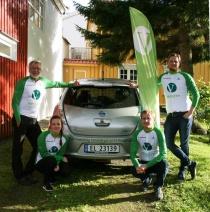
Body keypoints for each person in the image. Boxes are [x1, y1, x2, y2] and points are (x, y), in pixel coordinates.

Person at [12, 60, 79, 186]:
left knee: (38, 146)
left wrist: (71, 85)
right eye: (33, 68)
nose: (35, 70)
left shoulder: (44, 81)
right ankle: (19, 175)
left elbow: (57, 84)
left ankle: (28, 172)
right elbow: (14, 101)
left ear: (41, 70)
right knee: (17, 149)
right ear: (29, 69)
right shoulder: (23, 82)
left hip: (33, 120)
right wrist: (17, 118)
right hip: (21, 119)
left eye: (38, 68)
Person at [158, 53, 200, 181]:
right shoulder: (163, 77)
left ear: (179, 63)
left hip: (184, 115)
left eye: (175, 61)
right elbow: (150, 85)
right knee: (168, 143)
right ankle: (190, 163)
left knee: (184, 144)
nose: (173, 63)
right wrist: (137, 86)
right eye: (171, 61)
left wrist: (190, 112)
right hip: (171, 116)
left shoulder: (184, 76)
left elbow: (196, 94)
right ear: (167, 63)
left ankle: (183, 170)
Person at [130, 109, 168, 201]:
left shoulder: (159, 132)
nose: (146, 121)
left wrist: (146, 166)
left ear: (154, 120)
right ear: (141, 120)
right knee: (133, 169)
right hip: (143, 163)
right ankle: (146, 180)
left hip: (154, 162)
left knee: (164, 163)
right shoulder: (137, 133)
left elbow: (163, 154)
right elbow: (132, 153)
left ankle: (158, 187)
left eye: (148, 118)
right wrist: (137, 165)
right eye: (143, 118)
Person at [35, 115, 70, 191]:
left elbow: (60, 153)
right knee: (51, 159)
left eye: (58, 124)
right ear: (50, 125)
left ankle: (52, 176)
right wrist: (60, 158)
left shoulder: (65, 138)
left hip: (54, 161)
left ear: (61, 125)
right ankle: (46, 184)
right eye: (53, 124)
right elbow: (44, 154)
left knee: (66, 172)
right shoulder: (42, 136)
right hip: (41, 163)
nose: (56, 126)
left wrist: (57, 164)